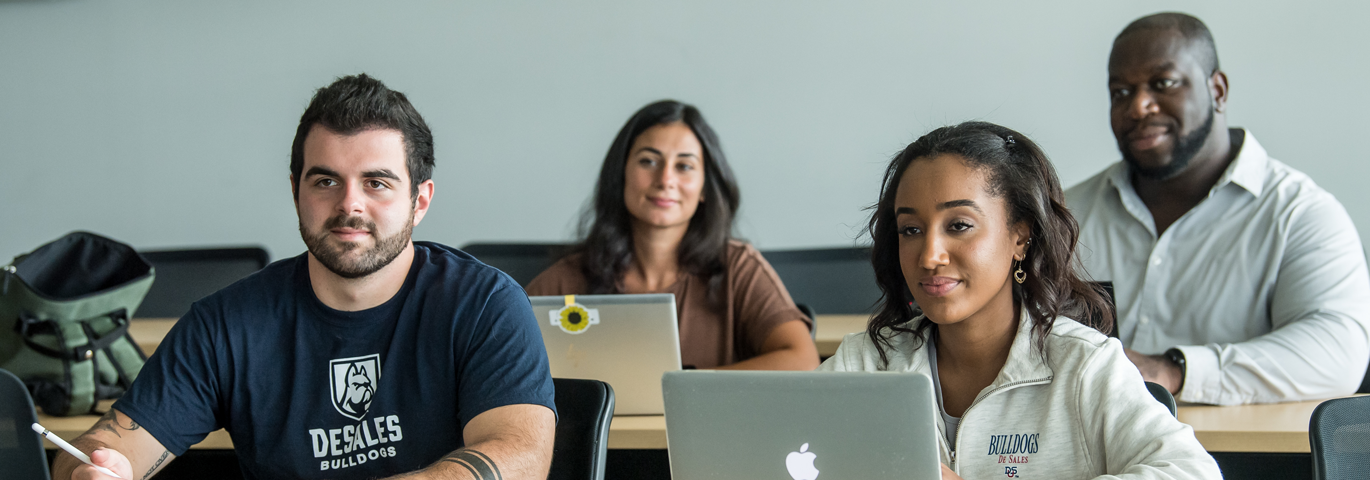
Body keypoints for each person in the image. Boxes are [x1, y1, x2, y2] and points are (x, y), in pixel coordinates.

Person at [55, 74, 557, 480]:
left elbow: (521, 456)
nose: (349, 205)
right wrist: (96, 468)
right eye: (326, 180)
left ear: (420, 200)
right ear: (297, 190)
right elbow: (104, 446)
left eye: (377, 183)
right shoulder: (227, 323)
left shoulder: (484, 302)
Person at [821, 122, 1220, 479]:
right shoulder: (866, 364)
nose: (929, 256)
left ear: (1020, 237)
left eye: (959, 225)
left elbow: (1192, 472)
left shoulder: (1083, 366)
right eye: (910, 229)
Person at [1066, 12, 1370, 405]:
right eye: (1120, 92)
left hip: (1246, 461)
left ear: (1218, 91)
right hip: (1095, 459)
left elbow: (1337, 354)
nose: (1138, 107)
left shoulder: (1300, 214)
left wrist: (1173, 370)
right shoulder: (1065, 214)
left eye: (1164, 83)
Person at [525, 100, 818, 370]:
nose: (665, 179)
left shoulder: (737, 268)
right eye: (648, 161)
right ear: (621, 173)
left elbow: (803, 360)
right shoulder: (567, 279)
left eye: (684, 166)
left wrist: (681, 388)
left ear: (704, 188)